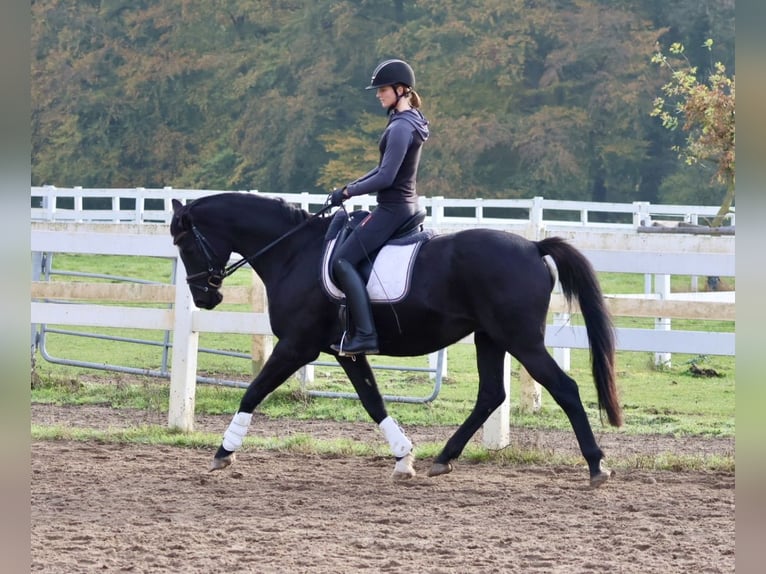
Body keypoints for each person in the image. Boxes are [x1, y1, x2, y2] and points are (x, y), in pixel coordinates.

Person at [328, 58, 430, 356]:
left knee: (342, 262)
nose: (378, 94)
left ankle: (366, 335)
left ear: (401, 89)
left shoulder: (400, 128)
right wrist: (347, 189)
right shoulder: (411, 120)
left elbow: (386, 177)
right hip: (404, 206)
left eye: (382, 89)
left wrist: (349, 190)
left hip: (393, 209)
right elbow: (381, 168)